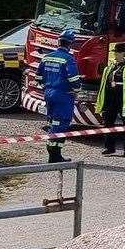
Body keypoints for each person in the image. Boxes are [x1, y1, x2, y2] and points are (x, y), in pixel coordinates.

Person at [36, 30, 82, 163]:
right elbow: (74, 79)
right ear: (70, 44)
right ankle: (55, 155)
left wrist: (47, 86)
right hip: (63, 95)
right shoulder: (68, 59)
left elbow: (38, 77)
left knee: (52, 121)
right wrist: (77, 89)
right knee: (61, 123)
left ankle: (53, 154)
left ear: (58, 41)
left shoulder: (47, 57)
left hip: (48, 93)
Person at [95, 42, 125, 157]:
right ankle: (109, 147)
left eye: (117, 53)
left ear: (124, 54)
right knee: (108, 123)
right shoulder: (111, 66)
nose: (115, 55)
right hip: (111, 99)